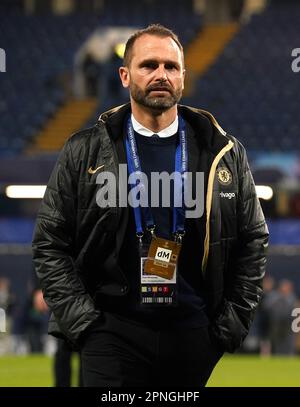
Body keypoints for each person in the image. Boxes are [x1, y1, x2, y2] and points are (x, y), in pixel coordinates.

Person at [32, 24, 269, 387]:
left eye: (171, 67)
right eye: (149, 65)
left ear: (183, 77)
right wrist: (84, 323)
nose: (161, 75)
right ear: (125, 75)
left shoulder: (222, 151)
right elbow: (50, 241)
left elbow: (253, 239)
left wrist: (228, 326)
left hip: (193, 334)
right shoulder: (83, 150)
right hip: (111, 333)